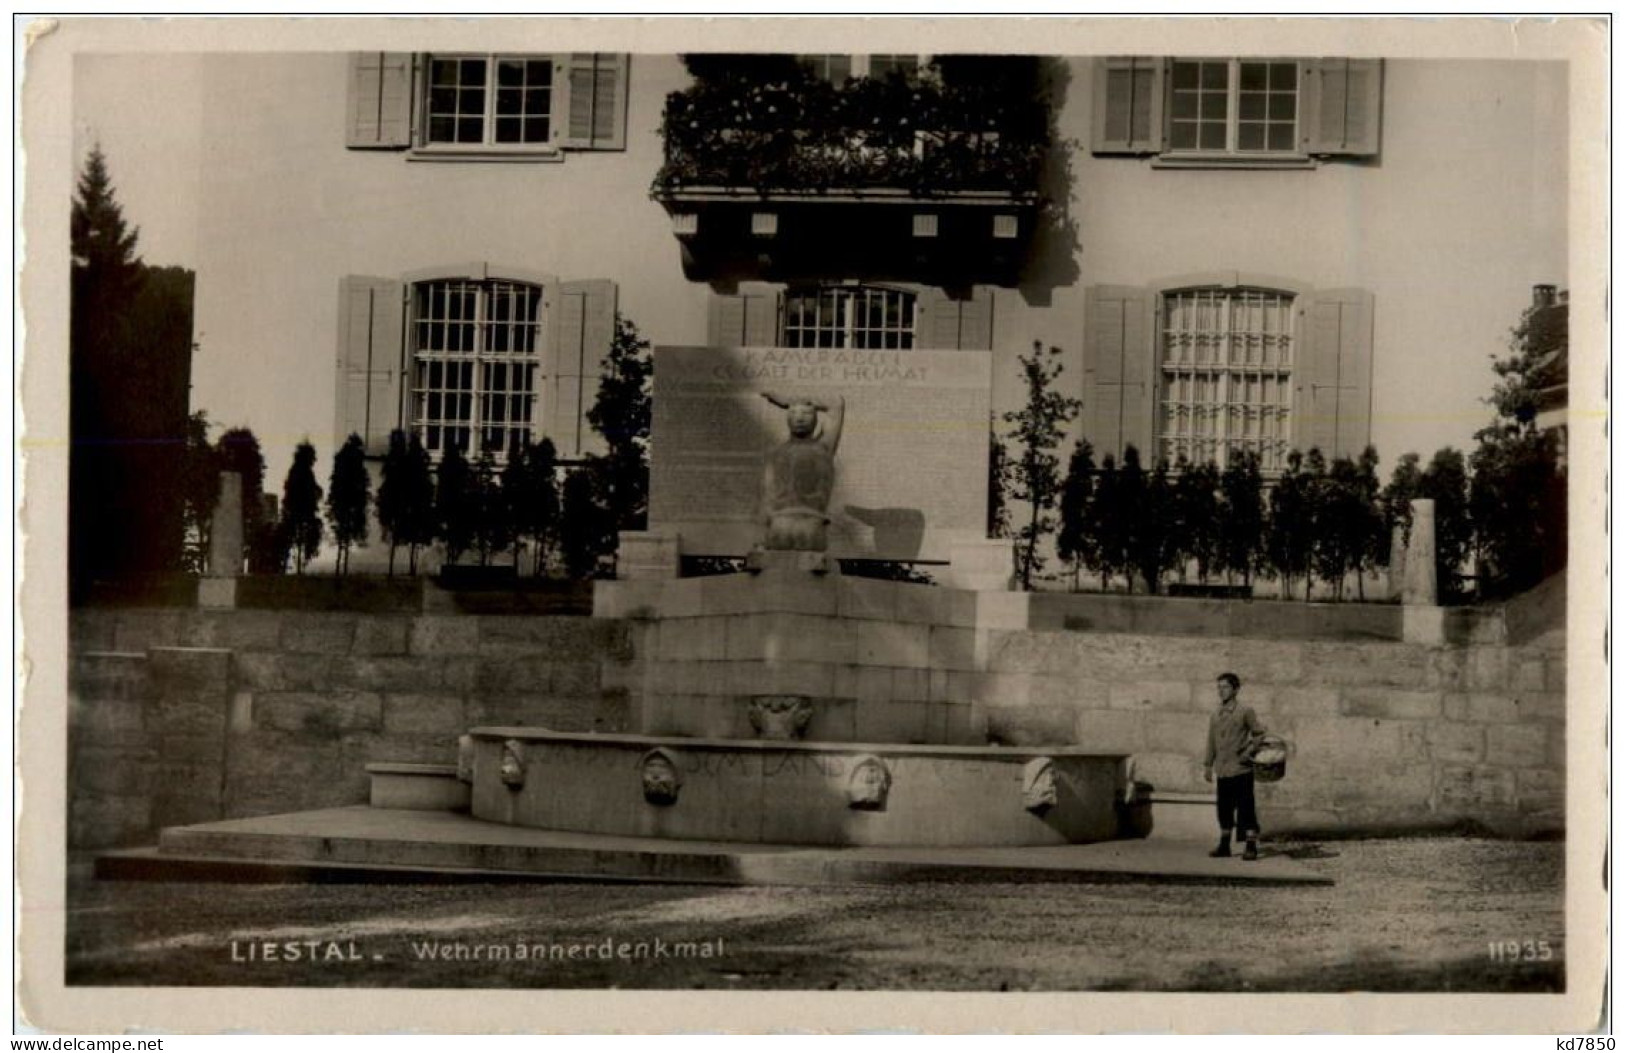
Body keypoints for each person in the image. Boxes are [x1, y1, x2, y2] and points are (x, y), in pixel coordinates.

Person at [758, 391, 844, 551]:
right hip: (779, 523)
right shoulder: (776, 453)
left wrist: (787, 401)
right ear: (787, 418)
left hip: (810, 522)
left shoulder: (822, 447)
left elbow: (836, 403)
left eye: (806, 413)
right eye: (793, 413)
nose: (799, 418)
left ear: (816, 418)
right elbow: (768, 492)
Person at [1202, 672, 1267, 860]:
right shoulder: (1215, 714)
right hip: (1223, 771)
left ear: (1236, 689)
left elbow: (1259, 734)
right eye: (1219, 687)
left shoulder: (1245, 711)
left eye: (1225, 687)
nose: (1221, 691)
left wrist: (1248, 753)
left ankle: (1251, 846)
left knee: (1246, 808)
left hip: (1241, 770)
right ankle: (1224, 845)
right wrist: (1208, 764)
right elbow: (1211, 741)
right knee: (1224, 808)